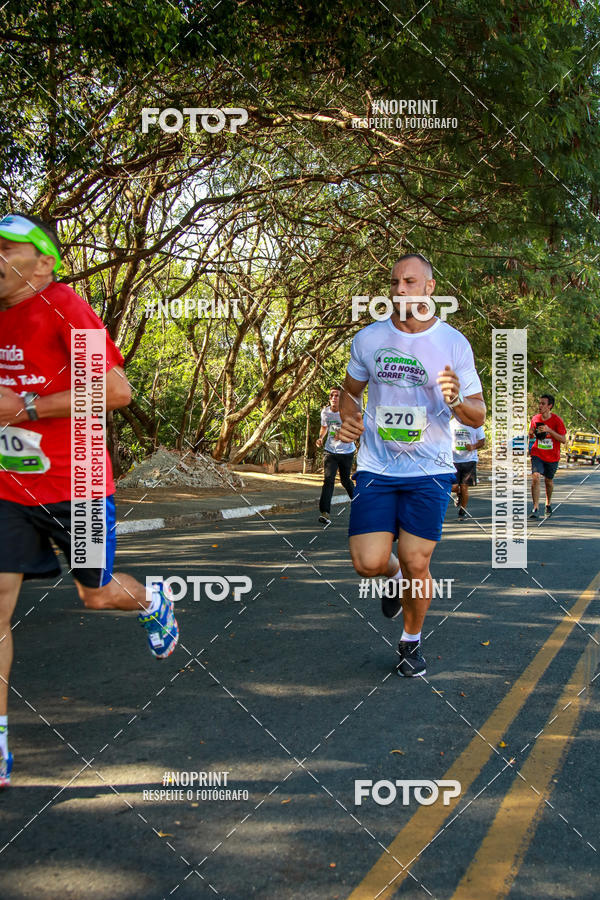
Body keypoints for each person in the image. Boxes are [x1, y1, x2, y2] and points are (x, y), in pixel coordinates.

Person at [0, 212, 179, 788]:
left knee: (96, 594)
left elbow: (117, 390)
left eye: (8, 250)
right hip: (7, 486)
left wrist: (27, 407)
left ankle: (151, 600)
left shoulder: (64, 308)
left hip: (75, 485)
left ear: (43, 263)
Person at [337, 254, 485, 677]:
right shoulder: (368, 339)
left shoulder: (453, 343)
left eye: (409, 281)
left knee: (418, 560)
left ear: (429, 288)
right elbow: (349, 391)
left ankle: (410, 641)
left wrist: (456, 399)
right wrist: (351, 416)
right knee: (368, 563)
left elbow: (477, 414)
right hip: (377, 467)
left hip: (430, 469)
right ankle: (394, 572)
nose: (399, 290)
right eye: (394, 282)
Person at [315, 388, 355, 525]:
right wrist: (320, 438)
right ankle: (325, 513)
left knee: (345, 481)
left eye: (336, 395)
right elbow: (324, 427)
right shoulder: (325, 412)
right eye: (331, 395)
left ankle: (360, 505)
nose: (333, 397)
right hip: (330, 451)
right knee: (328, 480)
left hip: (346, 452)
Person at [528, 393, 566, 518]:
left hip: (552, 456)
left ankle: (548, 504)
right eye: (539, 403)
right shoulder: (535, 419)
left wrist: (549, 430)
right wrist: (531, 434)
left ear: (550, 406)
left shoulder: (557, 420)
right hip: (537, 453)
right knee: (535, 477)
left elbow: (563, 439)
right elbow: (531, 434)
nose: (540, 406)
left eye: (543, 404)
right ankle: (535, 508)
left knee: (548, 481)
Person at [450, 416, 485, 519]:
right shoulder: (451, 423)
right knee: (453, 487)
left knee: (465, 487)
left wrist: (473, 446)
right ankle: (459, 493)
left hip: (469, 460)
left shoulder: (475, 424)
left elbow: (482, 441)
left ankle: (462, 511)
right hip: (454, 460)